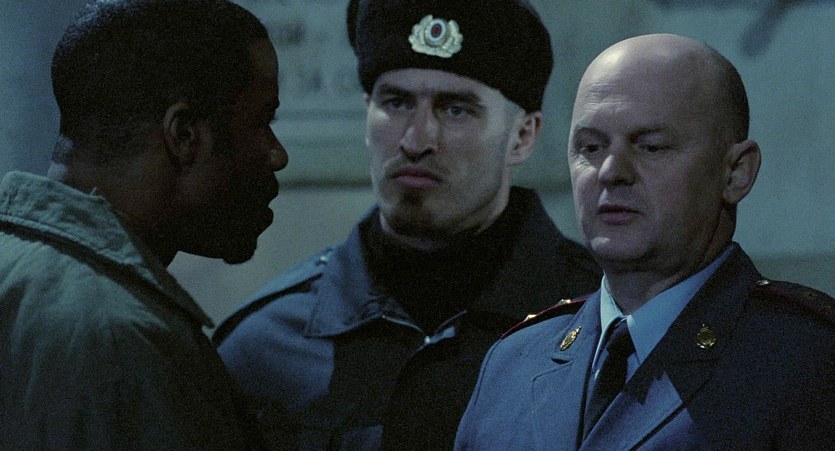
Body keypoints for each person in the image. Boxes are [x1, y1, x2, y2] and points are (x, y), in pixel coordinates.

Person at [213, 0, 601, 449]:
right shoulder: (269, 346)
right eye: (396, 103)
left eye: (456, 110)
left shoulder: (602, 325)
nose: (416, 141)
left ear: (522, 136)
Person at [455, 33, 835, 450]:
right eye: (591, 147)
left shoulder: (809, 360)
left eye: (651, 147)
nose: (611, 171)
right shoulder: (513, 364)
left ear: (735, 173)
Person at [0, 0, 287, 448]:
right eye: (262, 120)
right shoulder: (121, 339)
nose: (277, 154)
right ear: (184, 135)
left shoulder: (16, 269)